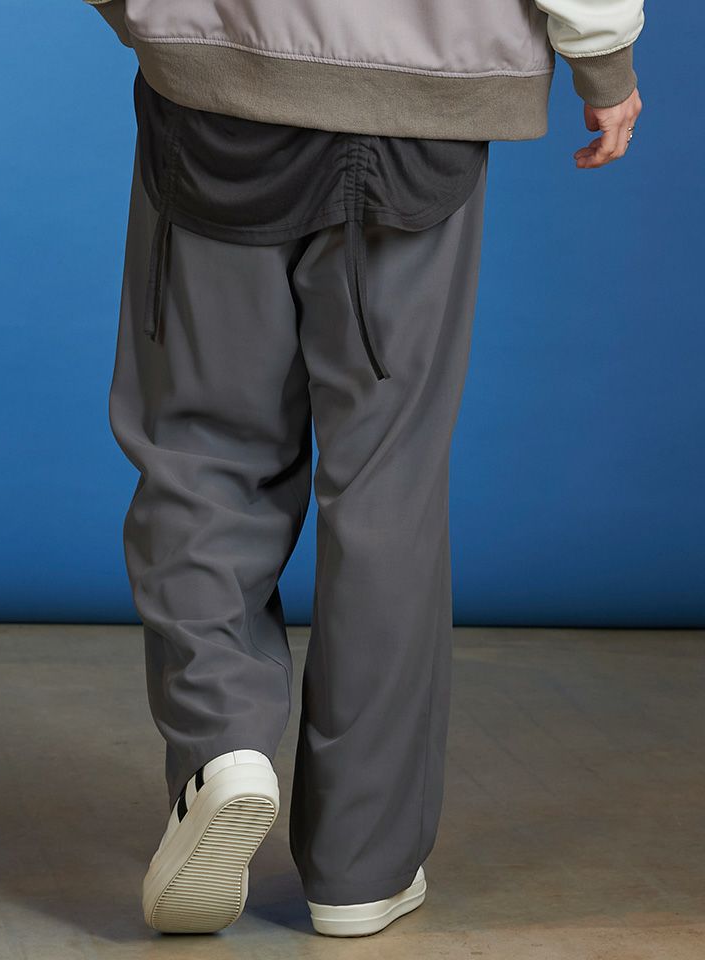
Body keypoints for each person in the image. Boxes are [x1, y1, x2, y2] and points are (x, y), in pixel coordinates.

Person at [83, 0, 644, 938]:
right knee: (388, 484)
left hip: (217, 91)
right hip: (425, 104)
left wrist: (154, 21)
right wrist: (606, 62)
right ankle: (361, 867)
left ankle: (221, 747)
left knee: (201, 450)